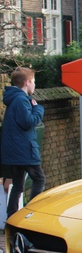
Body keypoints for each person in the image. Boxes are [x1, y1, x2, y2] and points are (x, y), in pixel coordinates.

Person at [1, 67, 45, 218]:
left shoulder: (15, 99)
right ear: (27, 83)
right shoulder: (21, 100)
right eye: (33, 82)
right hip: (24, 150)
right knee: (39, 179)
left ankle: (11, 215)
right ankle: (31, 214)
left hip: (15, 150)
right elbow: (28, 122)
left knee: (18, 185)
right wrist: (38, 109)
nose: (34, 85)